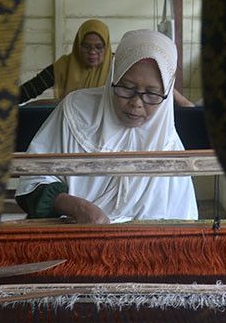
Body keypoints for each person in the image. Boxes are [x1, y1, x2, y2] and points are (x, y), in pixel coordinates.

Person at [16, 29, 199, 223]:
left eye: (152, 94)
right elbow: (32, 183)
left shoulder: (167, 144)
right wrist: (78, 207)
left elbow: (182, 226)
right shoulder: (76, 112)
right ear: (114, 76)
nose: (137, 102)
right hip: (72, 237)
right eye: (127, 87)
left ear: (167, 94)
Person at [18, 19, 112, 103]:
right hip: (71, 121)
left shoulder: (116, 65)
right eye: (86, 46)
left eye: (99, 47)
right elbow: (30, 89)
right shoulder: (65, 65)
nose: (92, 52)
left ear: (107, 47)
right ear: (78, 45)